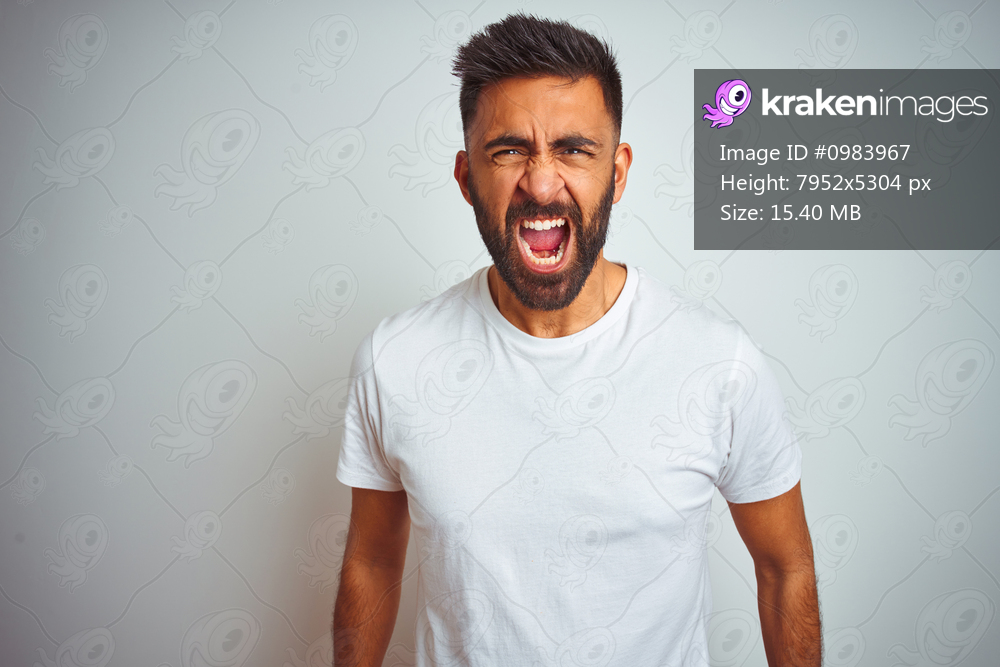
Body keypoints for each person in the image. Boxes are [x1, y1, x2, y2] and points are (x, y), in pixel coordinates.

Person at [333, 13, 820, 667]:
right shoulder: (397, 360)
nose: (540, 182)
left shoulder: (718, 363)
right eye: (508, 149)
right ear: (465, 176)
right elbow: (370, 560)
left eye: (573, 149)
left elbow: (786, 566)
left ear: (617, 172)